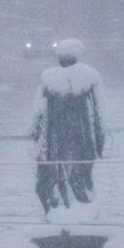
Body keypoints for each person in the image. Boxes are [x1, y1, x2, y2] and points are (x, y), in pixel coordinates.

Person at [31, 39, 104, 213]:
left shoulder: (48, 78)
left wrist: (35, 133)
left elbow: (38, 111)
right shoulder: (91, 76)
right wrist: (100, 140)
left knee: (56, 173)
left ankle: (62, 205)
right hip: (81, 135)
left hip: (56, 135)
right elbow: (99, 110)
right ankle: (77, 205)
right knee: (80, 173)